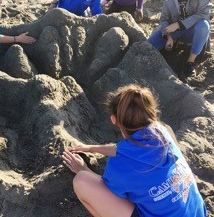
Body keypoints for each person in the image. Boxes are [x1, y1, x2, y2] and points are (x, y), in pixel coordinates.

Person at [62, 84, 207, 217]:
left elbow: (111, 194)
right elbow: (128, 150)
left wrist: (83, 169)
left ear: (114, 119)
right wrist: (93, 148)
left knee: (81, 180)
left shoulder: (118, 166)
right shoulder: (164, 131)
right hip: (197, 212)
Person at [148, 0, 211, 77]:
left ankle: (190, 62)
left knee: (204, 25)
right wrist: (168, 36)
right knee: (149, 46)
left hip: (194, 32)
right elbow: (164, 18)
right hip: (175, 32)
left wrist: (179, 24)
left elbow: (204, 14)